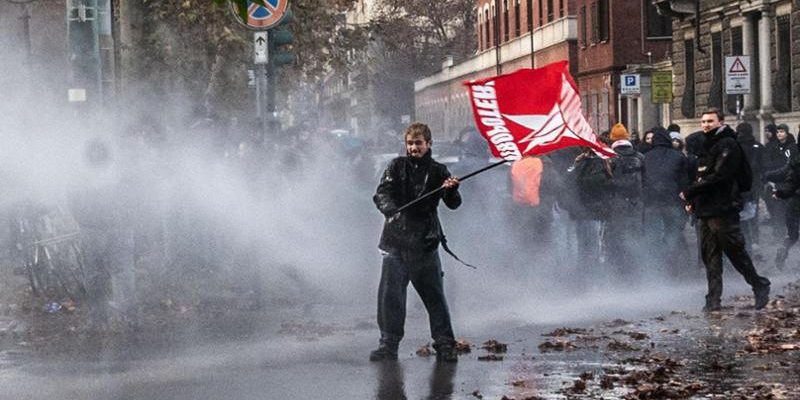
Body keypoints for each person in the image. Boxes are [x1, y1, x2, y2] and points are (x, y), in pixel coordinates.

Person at [370, 122, 462, 362]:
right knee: (391, 298)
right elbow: (382, 194)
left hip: (425, 243)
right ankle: (388, 345)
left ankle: (445, 344)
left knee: (435, 298)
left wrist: (451, 190)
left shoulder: (439, 171)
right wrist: (391, 210)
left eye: (418, 143)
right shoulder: (395, 166)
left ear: (428, 144)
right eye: (410, 143)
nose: (414, 148)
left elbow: (453, 204)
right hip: (395, 243)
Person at [680, 108, 770, 312]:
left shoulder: (728, 144)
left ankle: (759, 284)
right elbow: (701, 175)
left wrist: (691, 191)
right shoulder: (706, 144)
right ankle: (713, 300)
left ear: (720, 122)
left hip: (723, 208)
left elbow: (721, 176)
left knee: (735, 253)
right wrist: (693, 200)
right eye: (703, 121)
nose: (706, 125)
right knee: (710, 257)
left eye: (710, 121)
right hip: (705, 209)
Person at [643, 127, 689, 273]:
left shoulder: (646, 157)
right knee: (672, 234)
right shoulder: (679, 157)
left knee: (653, 234)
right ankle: (671, 266)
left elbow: (643, 181)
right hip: (672, 201)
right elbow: (684, 181)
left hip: (652, 202)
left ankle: (655, 267)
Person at [605, 123, 645, 275]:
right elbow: (645, 180)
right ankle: (636, 268)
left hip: (617, 202)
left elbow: (606, 182)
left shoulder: (609, 157)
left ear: (612, 139)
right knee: (635, 234)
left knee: (617, 235)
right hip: (636, 202)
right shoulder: (640, 156)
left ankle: (620, 270)